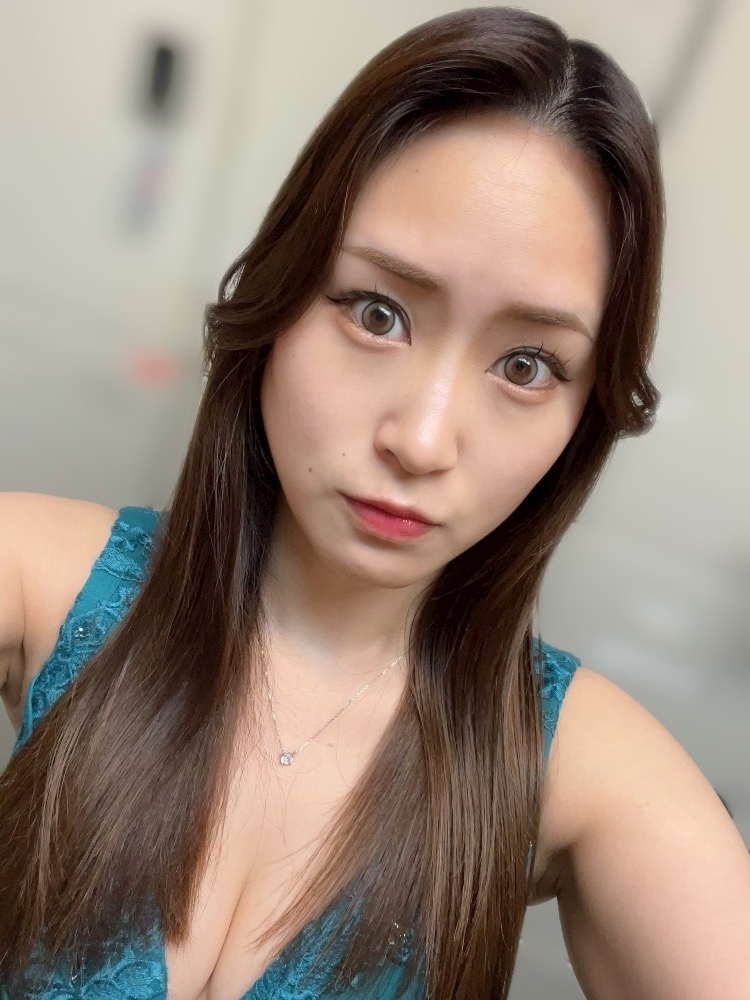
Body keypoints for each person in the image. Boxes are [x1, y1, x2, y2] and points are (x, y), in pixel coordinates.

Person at [1, 6, 748, 999]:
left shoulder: (585, 769)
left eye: (527, 365)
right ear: (280, 294)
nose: (422, 440)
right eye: (377, 312)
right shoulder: (37, 578)